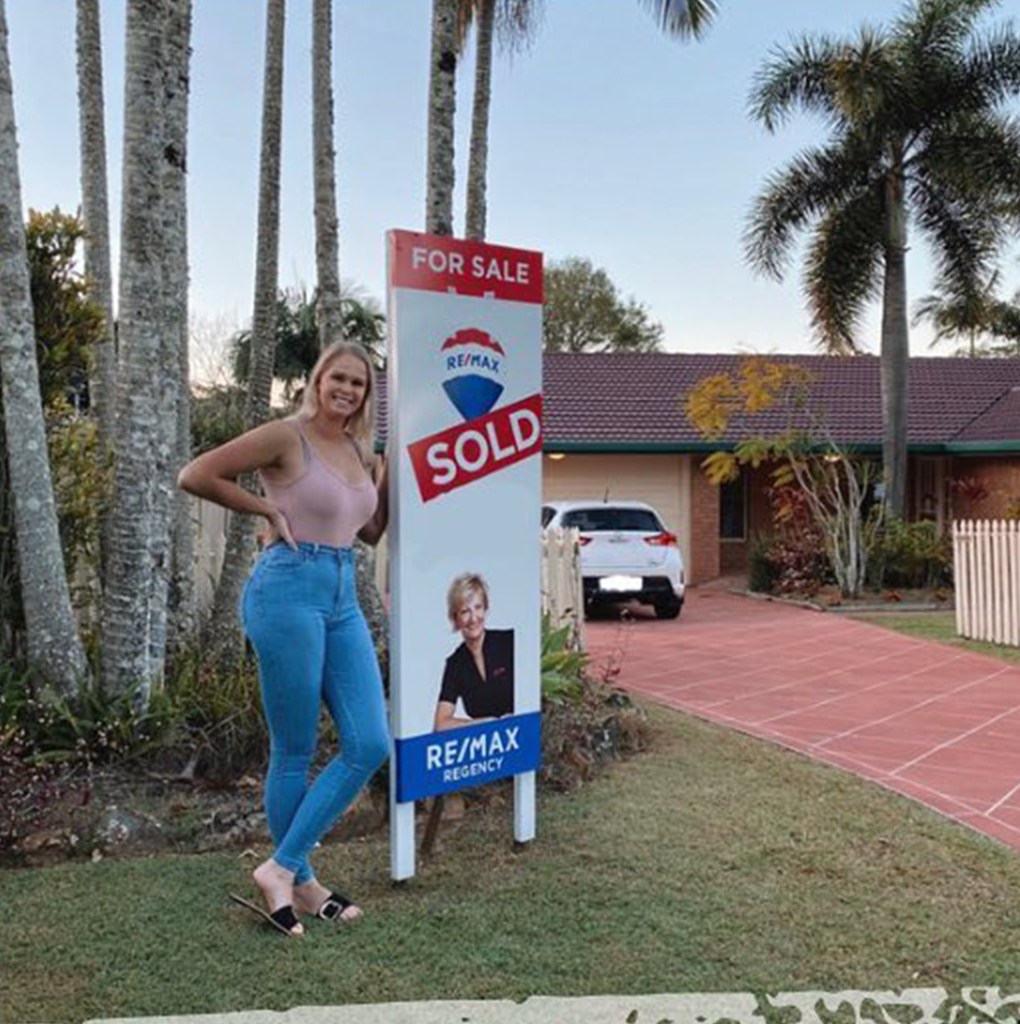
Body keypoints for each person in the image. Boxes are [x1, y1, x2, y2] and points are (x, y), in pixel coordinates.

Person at [177, 340, 389, 937]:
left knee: (370, 741)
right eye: (337, 378)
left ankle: (283, 868)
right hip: (287, 590)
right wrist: (266, 513)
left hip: (343, 592)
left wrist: (395, 469)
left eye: (358, 383)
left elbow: (368, 530)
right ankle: (300, 880)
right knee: (293, 747)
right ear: (318, 380)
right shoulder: (285, 436)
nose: (346, 390)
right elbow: (197, 473)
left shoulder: (358, 447)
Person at [433, 573, 514, 731]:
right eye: (465, 611)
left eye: (478, 607)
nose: (473, 618)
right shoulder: (455, 663)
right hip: (486, 746)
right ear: (455, 618)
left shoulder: (509, 642)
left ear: (486, 609)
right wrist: (486, 723)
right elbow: (440, 725)